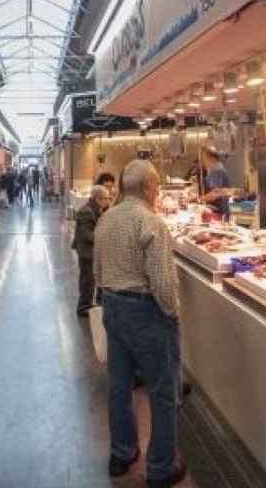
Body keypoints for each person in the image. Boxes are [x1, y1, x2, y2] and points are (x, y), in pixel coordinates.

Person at [95, 160, 186, 487]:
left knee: (119, 385)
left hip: (113, 307)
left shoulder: (106, 219)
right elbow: (162, 281)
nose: (158, 192)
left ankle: (121, 454)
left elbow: (97, 269)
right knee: (162, 391)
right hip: (146, 312)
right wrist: (172, 313)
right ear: (149, 187)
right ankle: (161, 468)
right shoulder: (151, 222)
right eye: (158, 186)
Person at [72, 185, 111, 317]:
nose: (108, 201)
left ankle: (89, 303)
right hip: (86, 252)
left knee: (91, 279)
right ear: (97, 198)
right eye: (106, 198)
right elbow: (86, 235)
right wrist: (104, 237)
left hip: (91, 251)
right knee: (87, 280)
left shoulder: (97, 209)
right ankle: (83, 307)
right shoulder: (86, 212)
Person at [200, 147, 232, 219]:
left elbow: (215, 193)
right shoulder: (217, 167)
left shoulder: (216, 169)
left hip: (219, 211)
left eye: (204, 158)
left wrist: (200, 199)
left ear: (211, 157)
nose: (203, 161)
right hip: (221, 209)